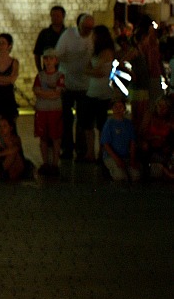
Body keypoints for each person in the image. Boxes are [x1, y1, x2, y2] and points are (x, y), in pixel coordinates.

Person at [54, 13, 94, 161]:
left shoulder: (92, 37)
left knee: (83, 119)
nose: (88, 31)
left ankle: (81, 150)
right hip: (68, 83)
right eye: (86, 27)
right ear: (79, 25)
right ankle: (67, 148)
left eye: (91, 28)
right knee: (66, 118)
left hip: (85, 84)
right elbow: (58, 54)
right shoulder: (68, 35)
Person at [82, 25, 115, 162]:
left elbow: (98, 71)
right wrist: (90, 70)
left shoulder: (107, 52)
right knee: (88, 125)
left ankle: (101, 152)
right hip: (92, 91)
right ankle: (90, 152)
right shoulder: (95, 52)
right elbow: (90, 68)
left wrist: (88, 71)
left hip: (102, 93)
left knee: (101, 125)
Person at [32, 48, 65, 176]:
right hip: (43, 110)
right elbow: (38, 91)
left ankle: (55, 164)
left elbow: (56, 93)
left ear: (56, 60)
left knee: (56, 137)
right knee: (43, 137)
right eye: (46, 58)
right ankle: (46, 163)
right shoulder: (40, 76)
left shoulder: (59, 75)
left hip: (54, 111)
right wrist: (51, 93)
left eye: (51, 58)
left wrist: (43, 93)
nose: (48, 61)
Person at [100, 98, 141, 181]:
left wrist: (132, 158)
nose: (118, 109)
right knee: (121, 177)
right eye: (116, 107)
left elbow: (132, 141)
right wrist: (116, 159)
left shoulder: (128, 124)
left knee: (136, 176)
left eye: (121, 107)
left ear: (124, 109)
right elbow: (106, 144)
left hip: (126, 156)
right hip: (111, 156)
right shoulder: (109, 124)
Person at [33, 5, 66, 72]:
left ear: (63, 17)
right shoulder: (44, 33)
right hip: (48, 72)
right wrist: (40, 71)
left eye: (57, 16)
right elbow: (37, 53)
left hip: (65, 72)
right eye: (53, 15)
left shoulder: (68, 33)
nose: (55, 18)